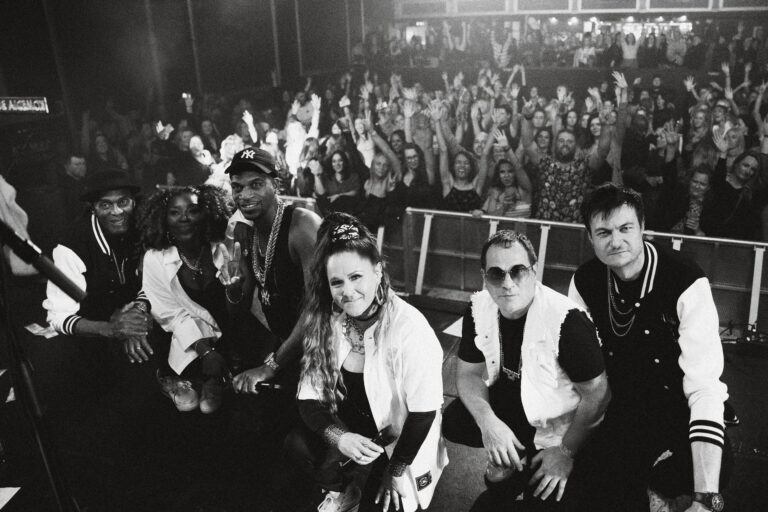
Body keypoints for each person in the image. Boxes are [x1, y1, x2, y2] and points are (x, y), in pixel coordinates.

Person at [569, 184, 730, 512]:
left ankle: (664, 486)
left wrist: (705, 497)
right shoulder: (584, 282)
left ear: (643, 227)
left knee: (710, 471)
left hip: (678, 405)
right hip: (620, 405)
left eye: (625, 228)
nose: (616, 241)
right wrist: (562, 447)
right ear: (590, 238)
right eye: (604, 232)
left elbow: (704, 388)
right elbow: (579, 373)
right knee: (590, 490)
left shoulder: (685, 279)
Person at [286, 213, 447, 512]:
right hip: (353, 431)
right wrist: (340, 437)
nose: (347, 291)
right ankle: (344, 488)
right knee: (296, 444)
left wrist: (395, 470)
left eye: (356, 277)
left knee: (385, 504)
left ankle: (367, 480)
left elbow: (424, 412)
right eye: (337, 282)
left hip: (399, 440)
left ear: (378, 271)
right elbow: (308, 398)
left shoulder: (410, 328)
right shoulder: (330, 322)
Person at [442, 230, 609, 511]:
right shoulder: (478, 307)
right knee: (455, 421)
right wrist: (489, 425)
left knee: (547, 499)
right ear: (484, 277)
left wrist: (565, 452)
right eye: (496, 274)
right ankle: (513, 460)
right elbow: (468, 374)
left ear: (534, 271)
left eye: (517, 271)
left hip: (561, 423)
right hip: (516, 407)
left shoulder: (567, 321)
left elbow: (598, 396)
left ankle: (529, 467)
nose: (507, 284)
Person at [43, 169, 152, 393]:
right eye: (105, 205)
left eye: (123, 202)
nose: (117, 211)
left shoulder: (143, 226)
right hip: (93, 329)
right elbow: (58, 317)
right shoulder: (71, 246)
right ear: (93, 208)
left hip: (136, 314)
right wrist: (113, 329)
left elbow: (152, 282)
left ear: (133, 202)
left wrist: (136, 316)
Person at [225, 147, 321, 392]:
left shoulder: (302, 225)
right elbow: (238, 308)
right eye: (237, 187)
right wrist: (233, 290)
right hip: (287, 347)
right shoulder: (245, 231)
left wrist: (270, 366)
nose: (245, 195)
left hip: (321, 348)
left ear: (276, 185)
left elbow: (320, 308)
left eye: (256, 184)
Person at [137, 185, 235, 413]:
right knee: (188, 403)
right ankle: (172, 377)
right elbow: (170, 315)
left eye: (193, 210)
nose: (184, 218)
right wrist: (206, 352)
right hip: (183, 330)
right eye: (175, 212)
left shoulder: (223, 248)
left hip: (225, 328)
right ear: (164, 219)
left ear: (206, 214)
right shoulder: (154, 259)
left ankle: (215, 378)